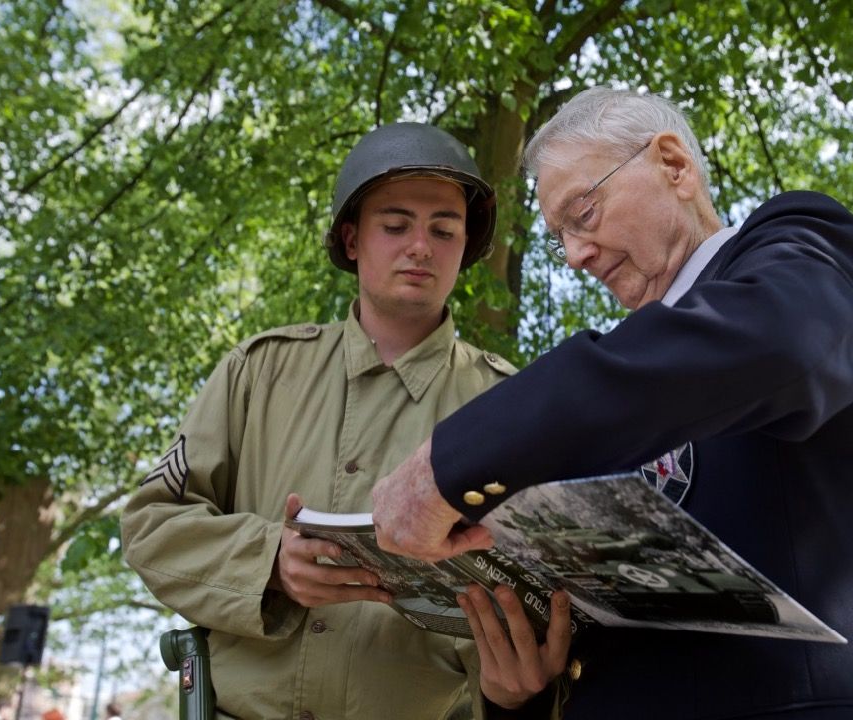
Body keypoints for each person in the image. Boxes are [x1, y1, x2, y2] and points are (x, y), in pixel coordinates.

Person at [371, 88, 853, 719]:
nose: (575, 255)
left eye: (584, 212)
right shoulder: (610, 402)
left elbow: (778, 343)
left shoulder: (800, 250)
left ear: (674, 165)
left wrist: (453, 461)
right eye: (559, 238)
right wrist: (522, 688)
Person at [121, 122, 570, 719]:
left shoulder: (510, 408)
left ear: (465, 248)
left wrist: (515, 691)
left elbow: (542, 594)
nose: (420, 246)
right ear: (352, 239)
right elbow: (152, 526)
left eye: (444, 229)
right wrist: (269, 562)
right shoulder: (258, 372)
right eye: (395, 225)